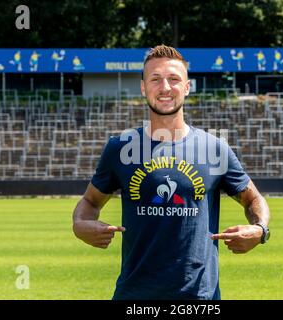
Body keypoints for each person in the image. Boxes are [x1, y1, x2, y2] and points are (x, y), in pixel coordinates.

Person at [72, 45, 271, 300]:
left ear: (187, 87)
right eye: (155, 79)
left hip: (200, 297)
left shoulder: (214, 148)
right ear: (143, 87)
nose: (165, 87)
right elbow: (90, 201)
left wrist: (260, 230)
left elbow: (254, 199)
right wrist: (80, 226)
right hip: (135, 297)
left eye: (174, 79)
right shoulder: (120, 147)